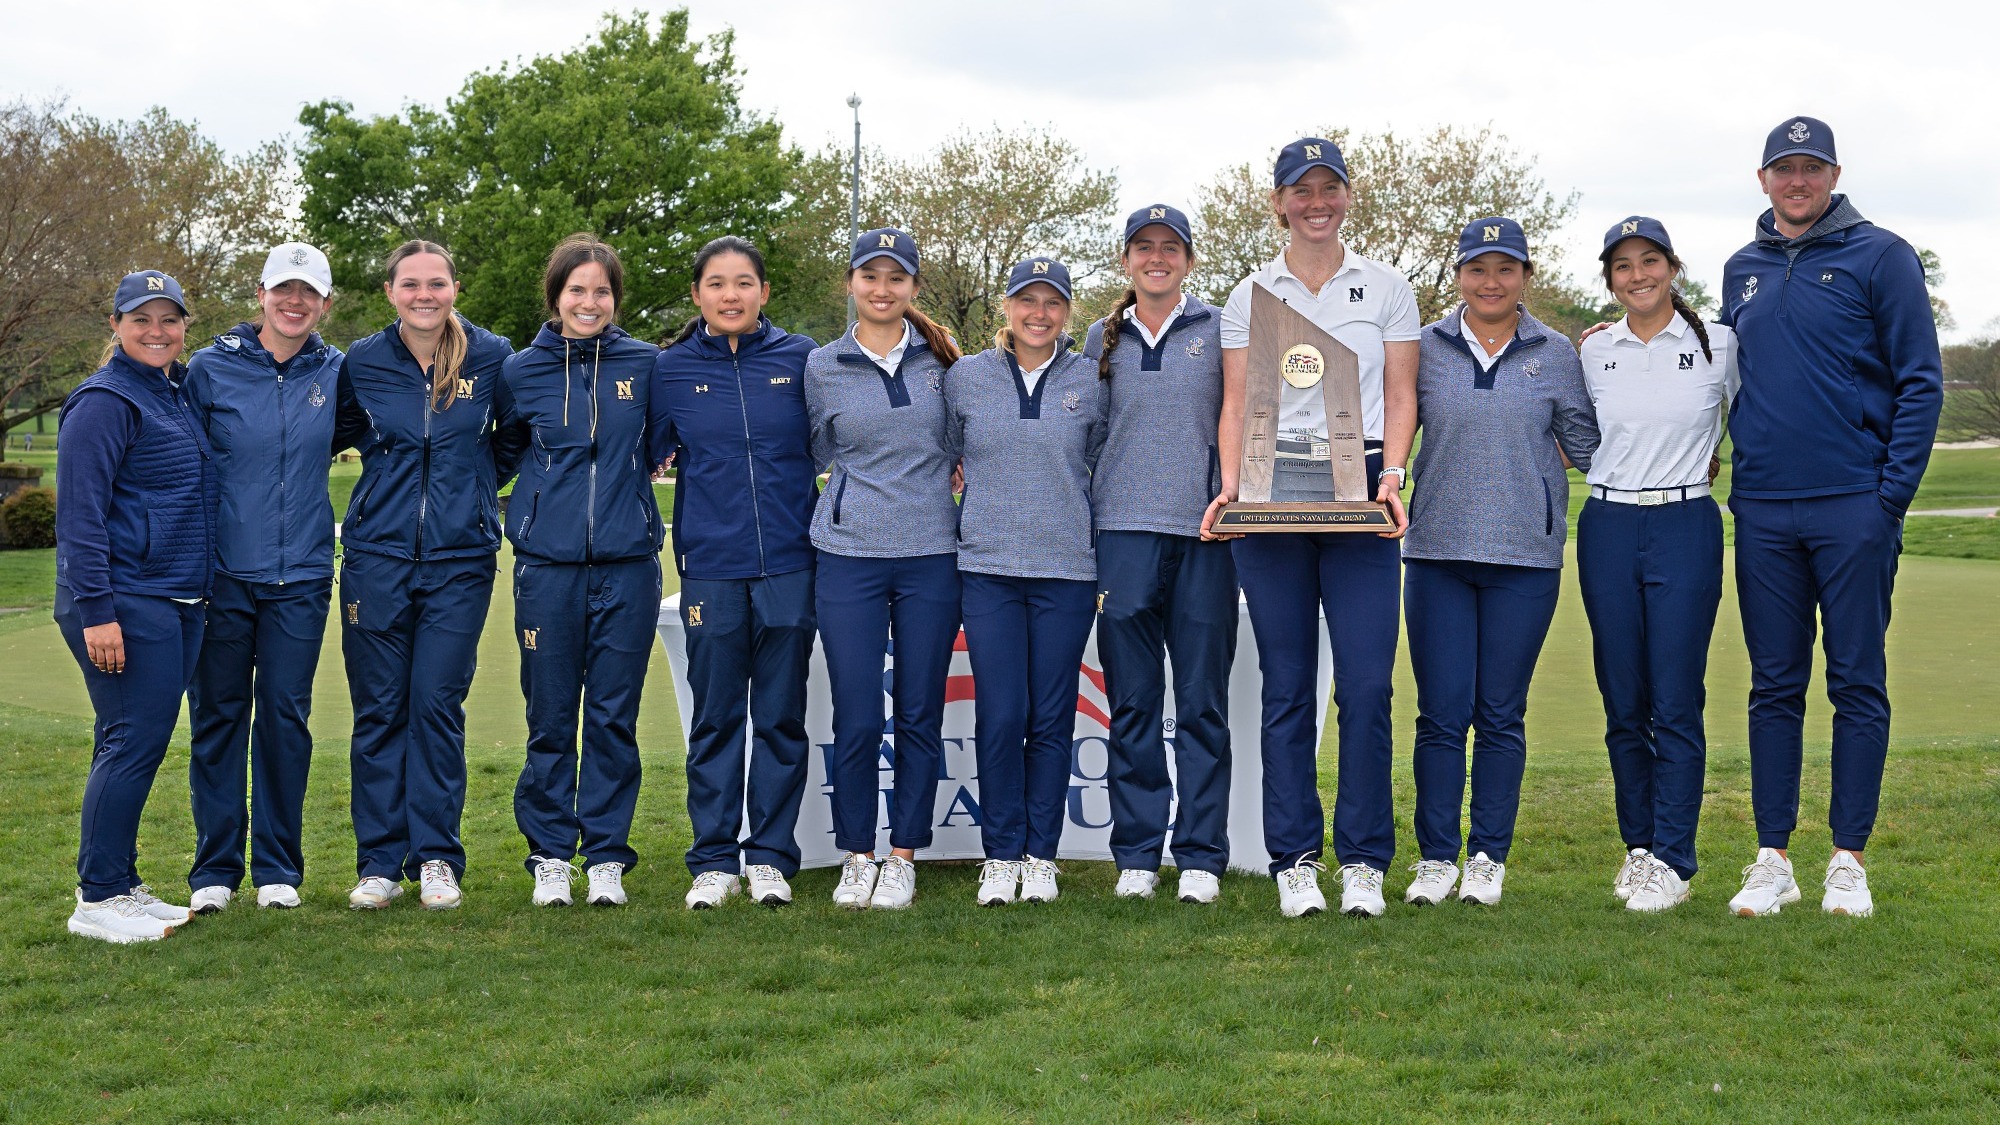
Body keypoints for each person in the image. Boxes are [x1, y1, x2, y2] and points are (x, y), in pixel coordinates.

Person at [1717, 117, 1942, 918]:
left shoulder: (1881, 256)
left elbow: (1922, 382)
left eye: (1811, 169)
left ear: (1834, 173)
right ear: (1764, 177)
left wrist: (1887, 501)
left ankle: (1847, 857)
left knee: (1856, 680)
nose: (1798, 181)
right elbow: (1719, 370)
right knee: (1774, 685)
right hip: (1765, 510)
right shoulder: (1740, 269)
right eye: (1785, 169)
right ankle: (1772, 855)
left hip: (1854, 506)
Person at [1203, 138, 1419, 918]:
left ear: (1347, 197)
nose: (1316, 201)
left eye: (1329, 187)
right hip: (1271, 494)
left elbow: (1400, 393)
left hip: (1359, 490)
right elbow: (1235, 402)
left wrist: (1391, 475)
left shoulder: (1387, 287)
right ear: (1279, 202)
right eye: (1301, 189)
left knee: (1365, 686)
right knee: (1288, 688)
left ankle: (1362, 860)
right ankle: (1293, 858)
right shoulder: (1249, 292)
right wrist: (1231, 491)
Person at [1401, 216, 1598, 908]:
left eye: (1505, 269)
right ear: (1457, 275)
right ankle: (1435, 858)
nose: (1491, 282)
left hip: (1524, 555)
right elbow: (1392, 425)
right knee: (1440, 714)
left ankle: (1487, 856)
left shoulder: (1558, 351)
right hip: (1437, 552)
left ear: (1525, 276)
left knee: (1501, 714)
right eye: (1478, 269)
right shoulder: (1423, 347)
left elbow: (1587, 442)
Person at [335, 240, 523, 912]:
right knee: (380, 712)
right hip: (375, 560)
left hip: (460, 561)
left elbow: (515, 434)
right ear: (390, 291)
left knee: (436, 708)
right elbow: (341, 431)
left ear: (455, 286)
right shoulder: (362, 360)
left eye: (436, 283)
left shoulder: (492, 354)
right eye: (410, 283)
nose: (424, 294)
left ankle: (438, 857)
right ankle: (380, 862)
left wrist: (472, 489)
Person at [649, 236, 818, 910]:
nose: (730, 294)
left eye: (743, 282)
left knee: (779, 718)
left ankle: (771, 857)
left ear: (764, 292)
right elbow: (643, 454)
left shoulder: (801, 359)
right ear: (697, 296)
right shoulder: (670, 369)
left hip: (789, 563)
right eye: (716, 283)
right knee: (717, 718)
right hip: (711, 570)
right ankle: (714, 860)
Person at [1577, 217, 1737, 913]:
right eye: (1622, 266)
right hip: (1608, 523)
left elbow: (1744, 422)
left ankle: (1674, 855)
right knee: (1623, 700)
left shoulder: (1721, 345)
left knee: (1675, 697)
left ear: (1672, 267)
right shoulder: (1592, 351)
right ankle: (1639, 847)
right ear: (1609, 279)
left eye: (1649, 261)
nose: (1636, 275)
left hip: (1685, 521)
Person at [500, 235, 663, 908]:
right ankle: (548, 855)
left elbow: (660, 443)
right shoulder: (520, 371)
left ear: (615, 299)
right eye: (577, 290)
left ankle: (604, 856)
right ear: (555, 296)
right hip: (547, 569)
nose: (589, 302)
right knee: (549, 718)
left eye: (601, 291)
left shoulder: (649, 365)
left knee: (613, 718)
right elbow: (504, 450)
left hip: (628, 567)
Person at [182, 242, 345, 914]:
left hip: (302, 575)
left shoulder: (339, 371)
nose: (295, 302)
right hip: (222, 575)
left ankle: (278, 867)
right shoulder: (209, 369)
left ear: (325, 303)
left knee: (284, 718)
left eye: (308, 292)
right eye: (284, 289)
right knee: (219, 717)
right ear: (261, 294)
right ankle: (215, 869)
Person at [55, 270, 215, 942]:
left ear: (184, 326)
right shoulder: (103, 401)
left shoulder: (170, 391)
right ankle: (96, 899)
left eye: (169, 319)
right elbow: (81, 518)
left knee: (131, 742)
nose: (157, 331)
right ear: (115, 325)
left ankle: (121, 881)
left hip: (174, 593)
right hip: (124, 599)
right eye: (141, 318)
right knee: (132, 743)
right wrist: (97, 610)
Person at [804, 228, 962, 910]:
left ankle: (903, 855)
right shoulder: (822, 365)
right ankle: (856, 853)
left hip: (931, 555)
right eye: (870, 275)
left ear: (913, 288)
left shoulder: (946, 365)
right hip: (848, 557)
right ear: (850, 283)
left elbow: (964, 448)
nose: (882, 288)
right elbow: (813, 448)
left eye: (896, 277)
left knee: (921, 710)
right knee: (859, 714)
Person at [1083, 204, 1235, 905]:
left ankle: (1201, 854)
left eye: (1170, 247)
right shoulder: (1098, 339)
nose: (1156, 258)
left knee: (1202, 702)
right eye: (1143, 247)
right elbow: (1082, 437)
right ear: (1125, 261)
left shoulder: (1222, 328)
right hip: (1122, 536)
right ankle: (1139, 854)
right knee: (1135, 704)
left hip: (1207, 535)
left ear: (1189, 260)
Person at [945, 256, 1106, 907]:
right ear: (1006, 308)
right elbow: (946, 455)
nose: (1039, 313)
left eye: (1053, 302)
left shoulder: (1092, 378)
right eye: (1026, 300)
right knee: (1002, 712)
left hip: (1066, 571)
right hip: (987, 570)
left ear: (1068, 311)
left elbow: (1100, 460)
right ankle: (1000, 852)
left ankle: (1041, 854)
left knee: (1049, 716)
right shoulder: (966, 379)